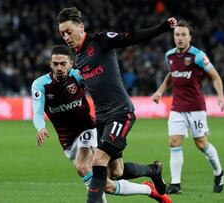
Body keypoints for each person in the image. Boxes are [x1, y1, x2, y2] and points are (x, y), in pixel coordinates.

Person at [57, 7, 176, 203]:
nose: (66, 37)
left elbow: (131, 37)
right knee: (116, 172)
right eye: (62, 34)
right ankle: (153, 170)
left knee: (98, 161)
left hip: (120, 113)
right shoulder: (78, 58)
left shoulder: (100, 41)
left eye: (69, 31)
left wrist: (162, 27)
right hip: (102, 118)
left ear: (80, 27)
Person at [151, 20, 224, 194]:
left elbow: (215, 76)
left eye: (183, 35)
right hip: (177, 107)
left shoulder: (198, 56)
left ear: (190, 37)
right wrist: (160, 91)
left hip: (196, 107)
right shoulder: (169, 55)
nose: (180, 38)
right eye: (177, 34)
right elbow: (172, 75)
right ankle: (176, 184)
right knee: (174, 142)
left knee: (201, 143)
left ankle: (219, 172)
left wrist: (220, 96)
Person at [32, 45, 108, 202]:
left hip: (87, 128)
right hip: (67, 140)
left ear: (71, 63)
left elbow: (98, 85)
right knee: (108, 182)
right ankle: (149, 186)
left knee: (82, 166)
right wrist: (41, 128)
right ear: (50, 64)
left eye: (63, 63)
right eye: (56, 63)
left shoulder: (77, 76)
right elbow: (38, 112)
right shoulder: (40, 85)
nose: (59, 67)